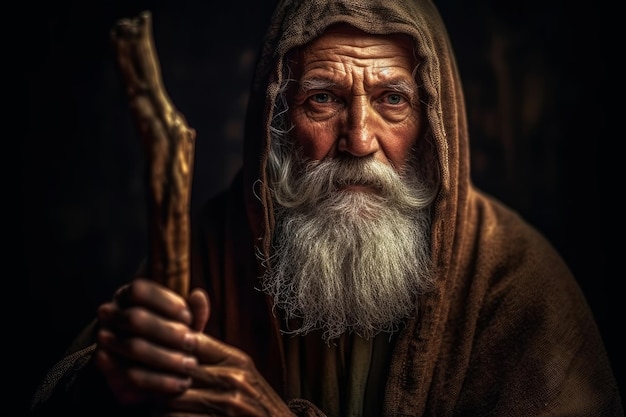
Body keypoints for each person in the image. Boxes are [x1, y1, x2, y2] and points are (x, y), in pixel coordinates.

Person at [28, 0, 623, 416]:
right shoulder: (211, 245)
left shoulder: (513, 277)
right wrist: (109, 378)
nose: (359, 139)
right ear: (277, 121)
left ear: (434, 126)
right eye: (323, 100)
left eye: (392, 99)